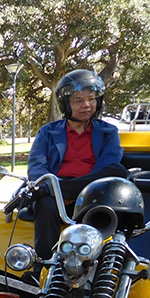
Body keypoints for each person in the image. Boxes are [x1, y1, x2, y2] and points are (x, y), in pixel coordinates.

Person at [27, 69, 128, 263]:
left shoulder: (109, 131)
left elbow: (108, 166)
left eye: (91, 99)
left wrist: (67, 191)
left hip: (91, 193)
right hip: (53, 195)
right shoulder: (47, 132)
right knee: (45, 202)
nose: (87, 105)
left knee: (118, 170)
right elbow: (36, 168)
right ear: (66, 104)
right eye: (78, 100)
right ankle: (43, 264)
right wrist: (53, 190)